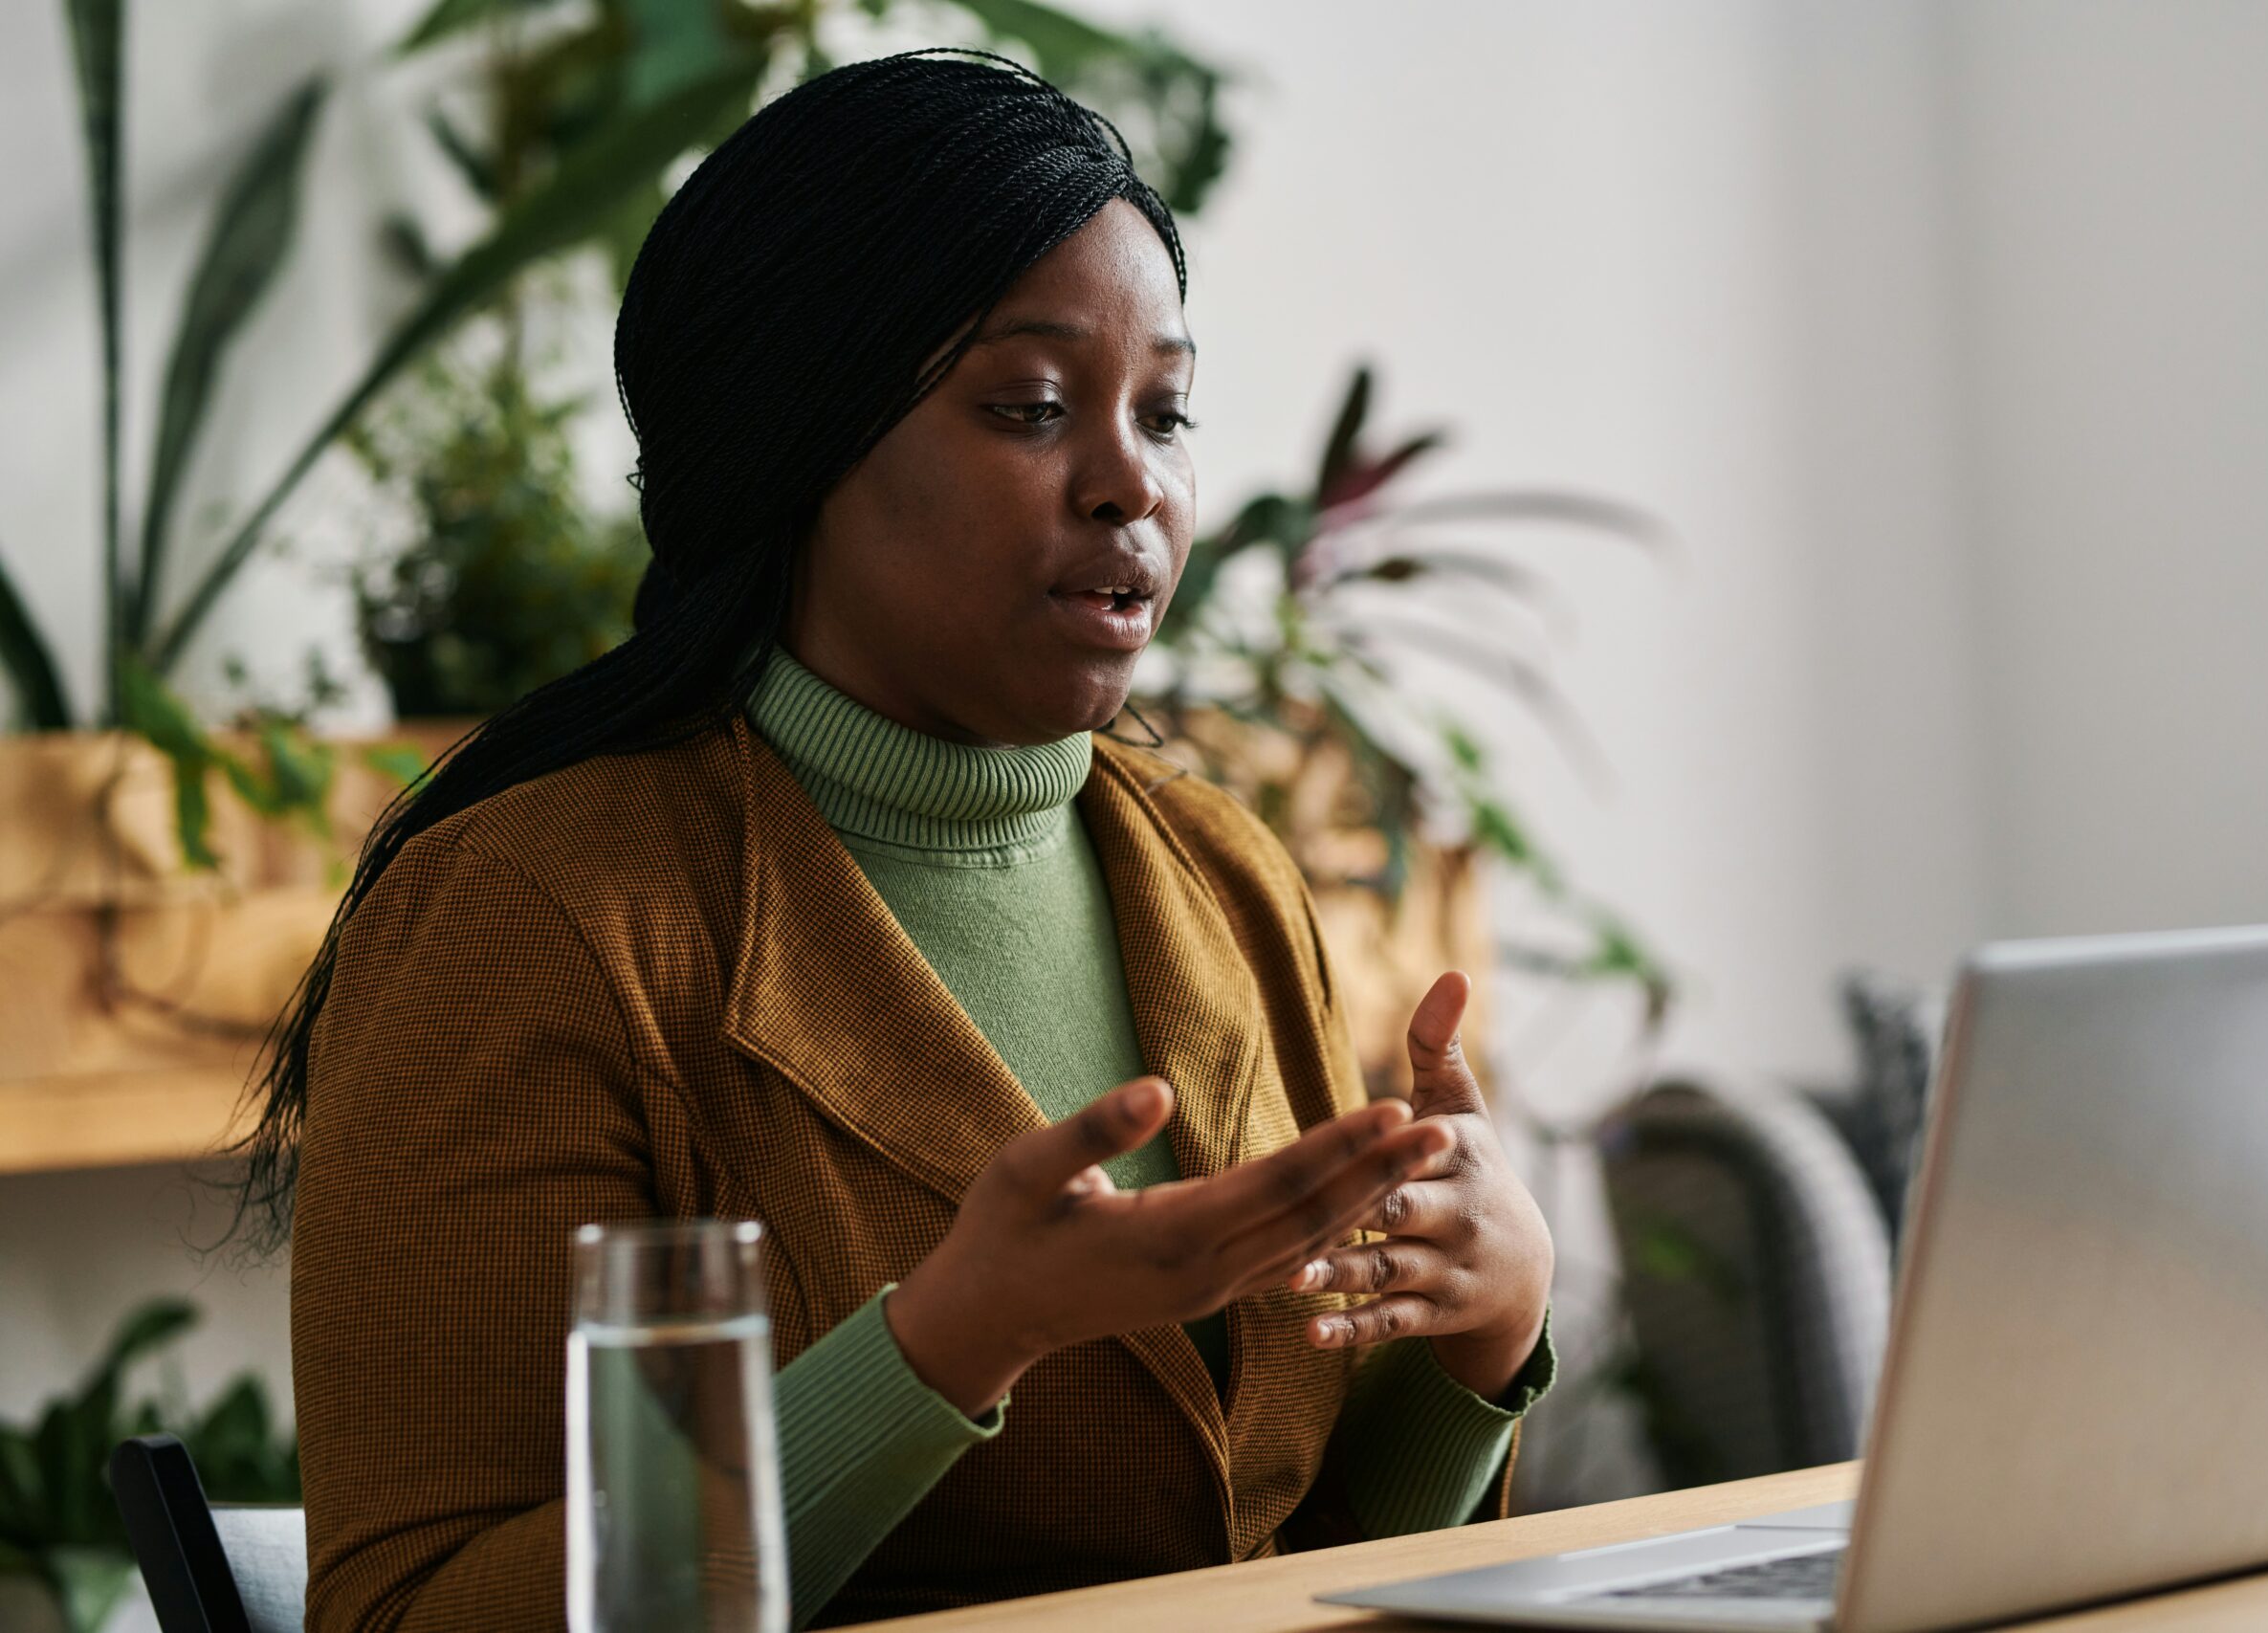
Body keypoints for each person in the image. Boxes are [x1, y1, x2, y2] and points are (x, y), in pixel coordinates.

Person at [252, 49, 1557, 1631]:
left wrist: (1485, 1334)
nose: (1130, 480)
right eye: (1030, 407)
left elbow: (1283, 1552)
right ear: (795, 442)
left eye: (1166, 410)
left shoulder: (1223, 871)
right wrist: (944, 1345)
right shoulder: (534, 918)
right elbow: (418, 1613)